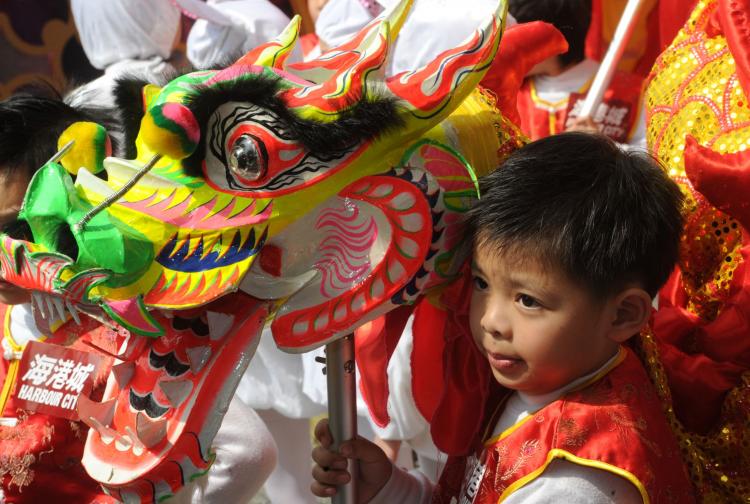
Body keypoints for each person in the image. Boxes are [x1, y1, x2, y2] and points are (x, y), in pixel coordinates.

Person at [310, 133, 695, 503]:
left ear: (624, 314)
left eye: (527, 300)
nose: (491, 320)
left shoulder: (576, 482)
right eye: (480, 282)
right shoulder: (537, 381)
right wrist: (387, 490)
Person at [510, 0, 647, 148]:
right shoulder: (504, 93)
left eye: (515, 39)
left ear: (548, 41)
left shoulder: (633, 93)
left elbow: (656, 160)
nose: (504, 49)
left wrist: (605, 147)